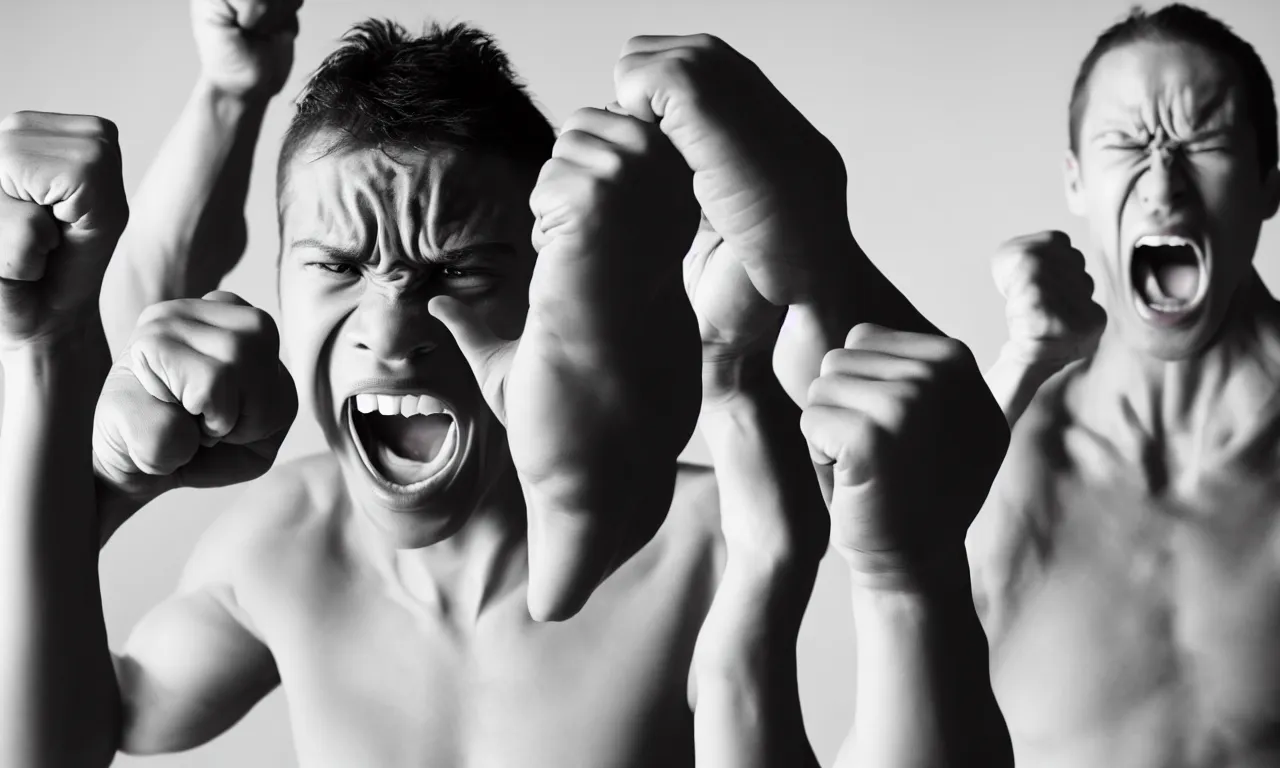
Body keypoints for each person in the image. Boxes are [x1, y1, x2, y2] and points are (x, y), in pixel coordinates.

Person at [0, 9, 1011, 768]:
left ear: (547, 293)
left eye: (460, 272)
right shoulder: (278, 544)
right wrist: (67, 410)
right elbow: (56, 740)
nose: (392, 332)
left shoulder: (699, 534)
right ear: (276, 292)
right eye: (341, 266)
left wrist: (899, 577)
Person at [970, 4, 1280, 766]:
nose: (1163, 189)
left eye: (1202, 140)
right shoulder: (1005, 455)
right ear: (1075, 181)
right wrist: (1015, 376)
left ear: (1271, 185)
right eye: (1127, 143)